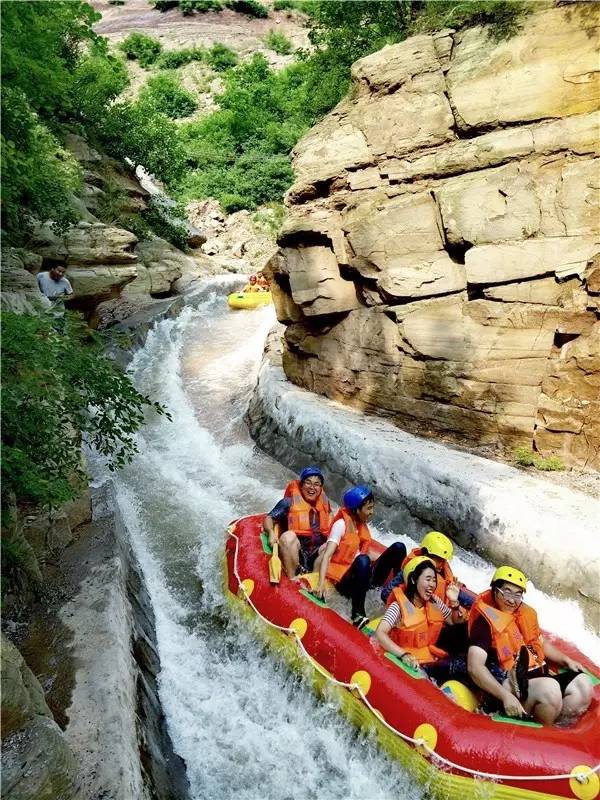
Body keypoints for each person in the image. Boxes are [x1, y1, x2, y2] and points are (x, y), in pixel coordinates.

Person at [467, 566, 593, 723]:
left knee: (583, 685)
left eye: (518, 594)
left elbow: (540, 644)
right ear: (494, 589)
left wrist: (567, 660)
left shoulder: (524, 615)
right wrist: (505, 696)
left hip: (538, 678)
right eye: (507, 592)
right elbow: (475, 667)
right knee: (550, 689)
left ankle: (558, 731)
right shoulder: (484, 623)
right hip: (510, 686)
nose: (512, 600)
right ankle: (541, 736)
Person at [313, 486, 406, 628]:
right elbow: (327, 555)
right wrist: (319, 584)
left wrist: (381, 561)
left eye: (372, 508)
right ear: (356, 510)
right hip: (345, 581)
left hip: (363, 577)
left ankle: (395, 595)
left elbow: (362, 551)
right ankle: (357, 614)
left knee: (399, 547)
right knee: (363, 561)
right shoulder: (341, 525)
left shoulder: (360, 526)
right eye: (368, 509)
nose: (371, 512)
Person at [376, 556, 468, 683]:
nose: (432, 585)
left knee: (464, 631)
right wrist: (403, 655)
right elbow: (380, 633)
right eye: (428, 579)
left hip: (428, 657)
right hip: (408, 660)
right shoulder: (398, 607)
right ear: (413, 579)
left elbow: (454, 622)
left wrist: (454, 602)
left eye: (434, 580)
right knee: (455, 667)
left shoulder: (435, 601)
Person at [263, 466, 332, 579]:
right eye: (308, 483)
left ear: (320, 487)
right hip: (297, 552)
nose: (312, 488)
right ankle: (292, 578)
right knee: (287, 537)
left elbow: (330, 517)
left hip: (316, 553)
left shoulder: (324, 503)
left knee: (332, 545)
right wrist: (271, 532)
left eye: (316, 484)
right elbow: (269, 518)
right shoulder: (288, 503)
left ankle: (313, 581)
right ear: (301, 485)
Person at [382, 530, 472, 609]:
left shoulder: (443, 573)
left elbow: (460, 595)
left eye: (444, 560)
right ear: (425, 556)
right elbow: (386, 594)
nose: (443, 564)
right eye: (440, 560)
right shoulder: (412, 571)